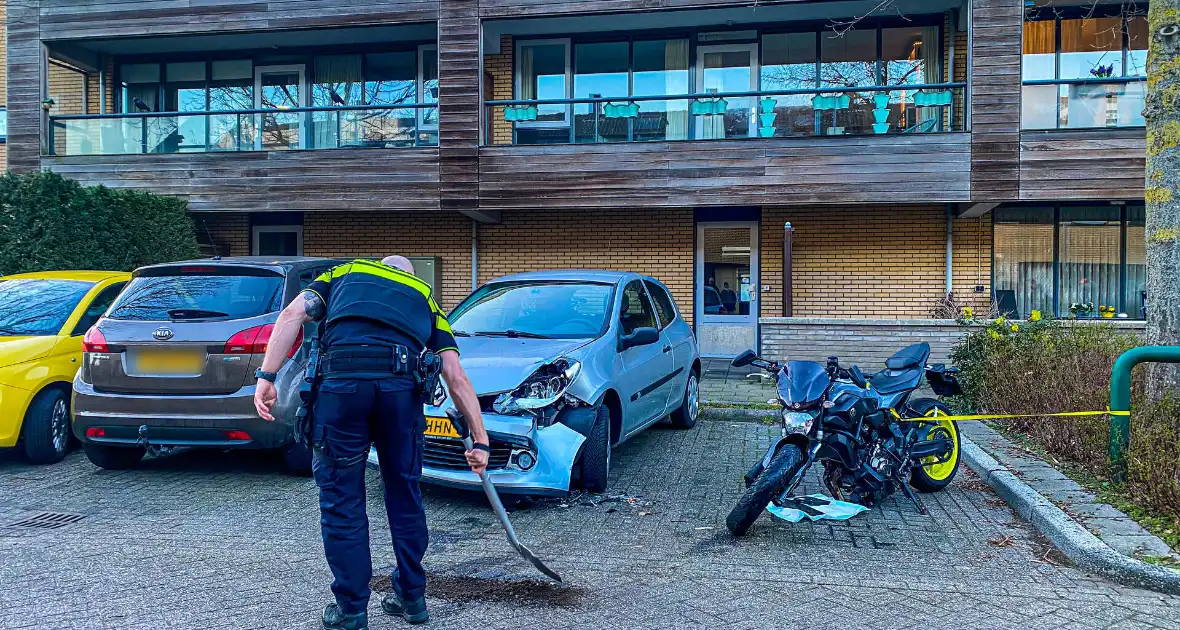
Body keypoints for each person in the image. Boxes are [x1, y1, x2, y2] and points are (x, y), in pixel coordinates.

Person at [253, 256, 489, 630]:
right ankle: (411, 598)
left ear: (382, 267)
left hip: (342, 390)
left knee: (342, 500)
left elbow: (291, 316)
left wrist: (267, 376)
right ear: (406, 276)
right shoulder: (424, 296)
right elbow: (454, 374)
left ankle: (351, 611)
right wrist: (480, 440)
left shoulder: (346, 274)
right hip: (400, 395)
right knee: (405, 493)